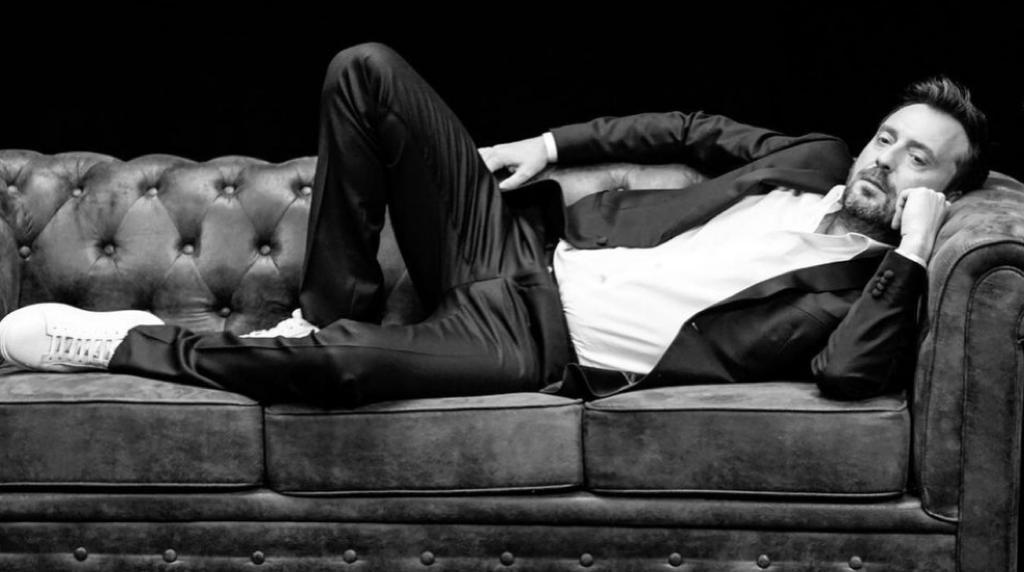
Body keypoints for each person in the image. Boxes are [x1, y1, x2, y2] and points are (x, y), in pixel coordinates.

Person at [0, 42, 989, 406]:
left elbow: (848, 376)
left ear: (943, 190)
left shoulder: (871, 287)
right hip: (517, 245)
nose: (883, 158)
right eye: (887, 136)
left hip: (534, 342)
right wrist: (549, 145)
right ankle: (322, 308)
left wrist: (910, 246)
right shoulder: (812, 157)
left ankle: (125, 344)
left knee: (341, 374)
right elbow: (688, 127)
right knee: (367, 72)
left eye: (917, 158)